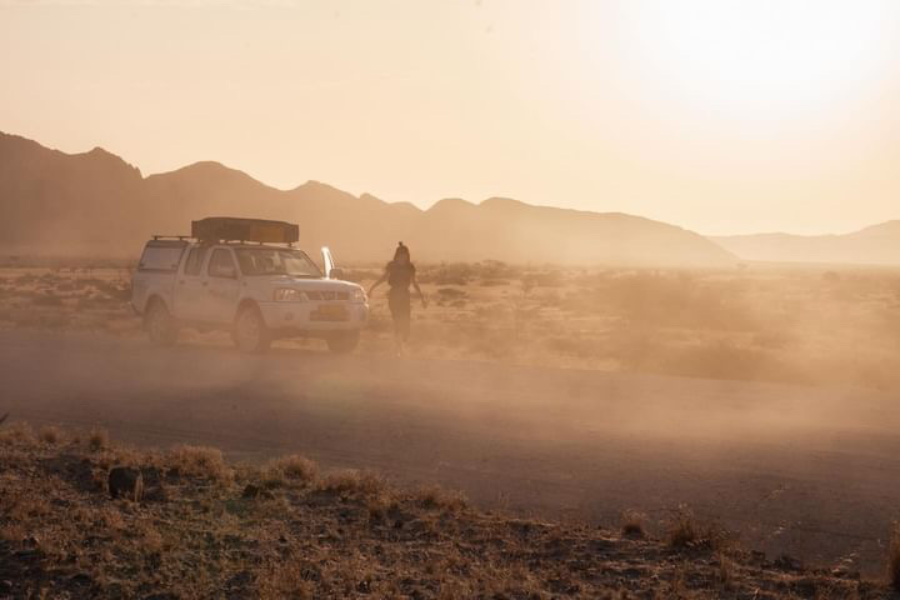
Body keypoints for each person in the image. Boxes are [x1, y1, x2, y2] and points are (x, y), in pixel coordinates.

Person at [369, 242, 427, 355]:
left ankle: (400, 343)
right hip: (394, 296)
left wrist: (422, 298)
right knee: (397, 321)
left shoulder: (410, 267)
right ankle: (398, 348)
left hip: (405, 297)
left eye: (404, 255)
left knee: (406, 323)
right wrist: (372, 288)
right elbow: (383, 278)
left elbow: (414, 283)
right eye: (400, 255)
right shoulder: (392, 266)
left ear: (407, 256)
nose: (402, 257)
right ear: (397, 256)